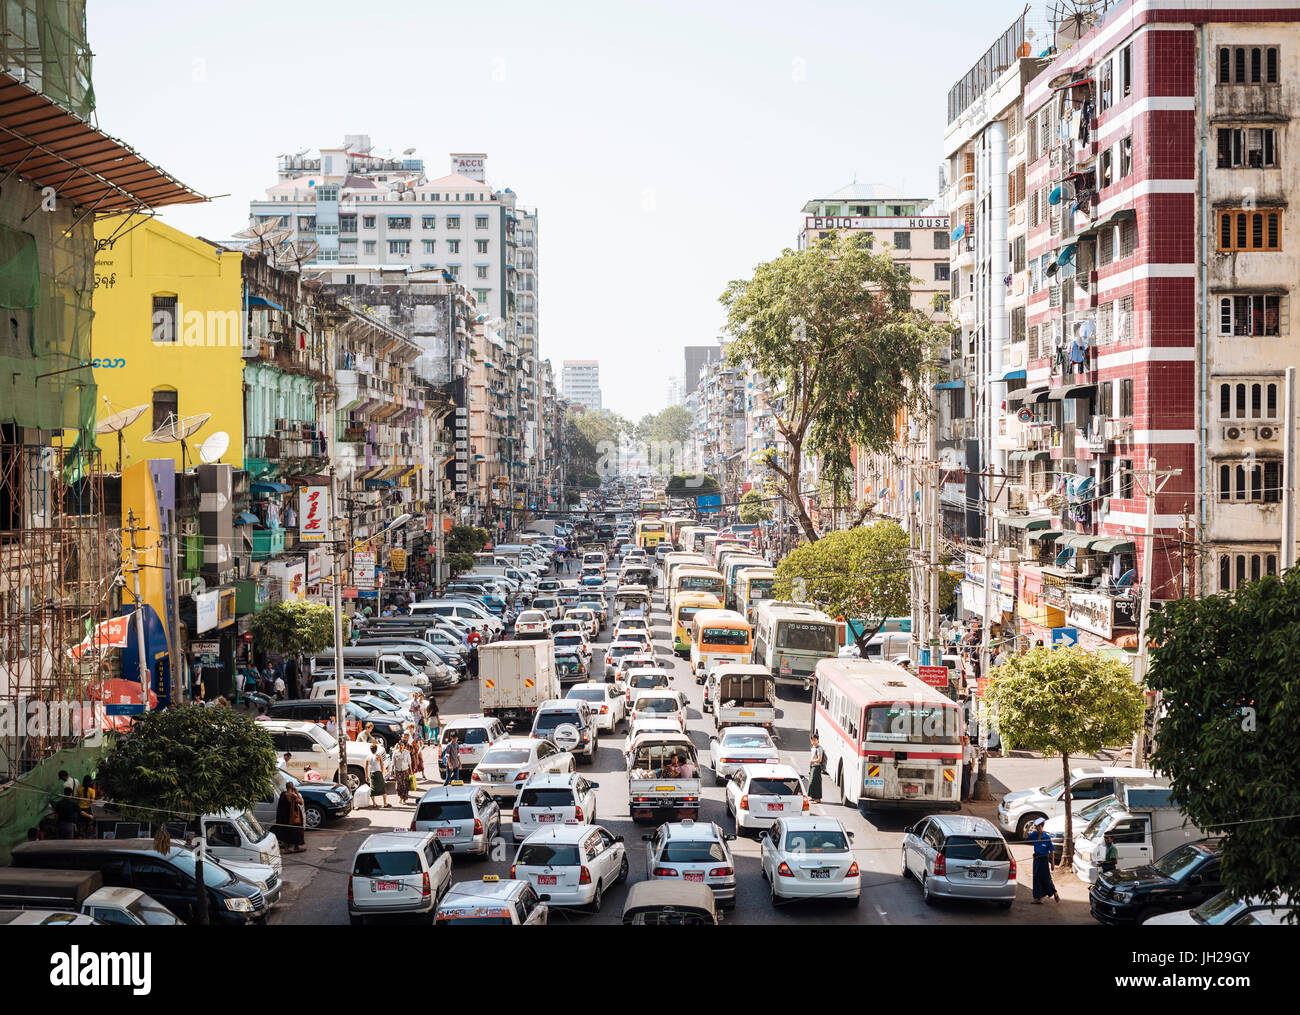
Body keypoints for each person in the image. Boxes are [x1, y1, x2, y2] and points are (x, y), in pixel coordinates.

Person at [1026, 817, 1060, 903]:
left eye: (1038, 827)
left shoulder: (1047, 837)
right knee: (1036, 878)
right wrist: (1028, 827)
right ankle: (1039, 898)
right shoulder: (1034, 834)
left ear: (1042, 826)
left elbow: (1052, 850)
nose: (1037, 829)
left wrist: (1052, 863)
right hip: (1036, 859)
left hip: (1044, 859)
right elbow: (1025, 836)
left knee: (1046, 878)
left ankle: (1055, 892)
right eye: (1036, 827)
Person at [275, 782, 307, 853]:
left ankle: (288, 848)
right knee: (296, 831)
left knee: (286, 831)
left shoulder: (283, 794)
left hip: (284, 817)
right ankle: (295, 847)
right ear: (292, 787)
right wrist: (297, 792)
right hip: (293, 817)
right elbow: (301, 802)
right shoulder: (293, 796)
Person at [366, 742, 390, 808]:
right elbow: (382, 766)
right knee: (382, 789)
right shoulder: (378, 756)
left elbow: (366, 767)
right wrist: (383, 773)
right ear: (376, 750)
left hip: (372, 774)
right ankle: (385, 803)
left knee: (372, 789)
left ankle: (374, 803)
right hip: (378, 773)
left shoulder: (368, 757)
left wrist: (366, 776)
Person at [391, 738, 412, 804]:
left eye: (402, 745)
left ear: (404, 746)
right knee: (399, 786)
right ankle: (400, 797)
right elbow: (393, 763)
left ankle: (404, 799)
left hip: (405, 771)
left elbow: (409, 763)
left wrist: (411, 771)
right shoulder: (395, 752)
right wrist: (392, 771)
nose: (401, 746)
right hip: (398, 771)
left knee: (405, 785)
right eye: (400, 745)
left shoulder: (407, 752)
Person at [807, 733, 825, 803]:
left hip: (817, 766)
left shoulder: (819, 748)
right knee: (812, 782)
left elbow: (819, 759)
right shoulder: (813, 748)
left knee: (815, 782)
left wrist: (812, 761)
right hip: (813, 766)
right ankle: (813, 797)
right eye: (812, 740)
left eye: (814, 740)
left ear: (818, 740)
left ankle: (818, 799)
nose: (813, 742)